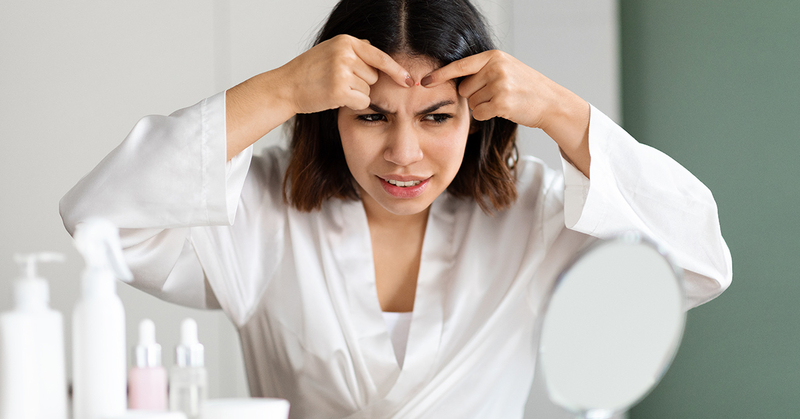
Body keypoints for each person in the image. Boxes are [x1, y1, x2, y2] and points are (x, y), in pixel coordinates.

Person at [60, 0, 732, 417]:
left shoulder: (533, 216)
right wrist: (280, 88)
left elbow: (699, 262)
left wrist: (561, 109)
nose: (404, 154)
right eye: (372, 116)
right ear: (331, 115)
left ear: (477, 116)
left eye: (436, 116)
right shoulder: (262, 213)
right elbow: (101, 221)